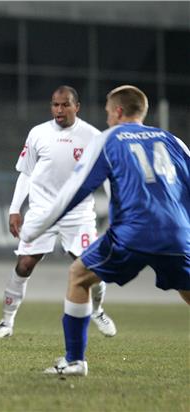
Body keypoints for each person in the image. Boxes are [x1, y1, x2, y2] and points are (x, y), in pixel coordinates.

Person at [20, 85, 190, 376]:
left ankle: (74, 361)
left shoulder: (108, 139)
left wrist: (35, 227)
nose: (108, 118)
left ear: (119, 111)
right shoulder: (172, 140)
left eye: (109, 113)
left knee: (78, 275)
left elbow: (76, 188)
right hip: (177, 232)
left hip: (133, 231)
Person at [0, 86, 117, 339]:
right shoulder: (38, 133)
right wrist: (15, 209)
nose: (59, 110)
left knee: (92, 266)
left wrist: (116, 210)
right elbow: (26, 173)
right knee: (24, 265)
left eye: (64, 105)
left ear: (76, 107)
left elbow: (106, 178)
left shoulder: (92, 136)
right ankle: (6, 323)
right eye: (55, 105)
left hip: (78, 214)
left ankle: (98, 310)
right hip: (42, 212)